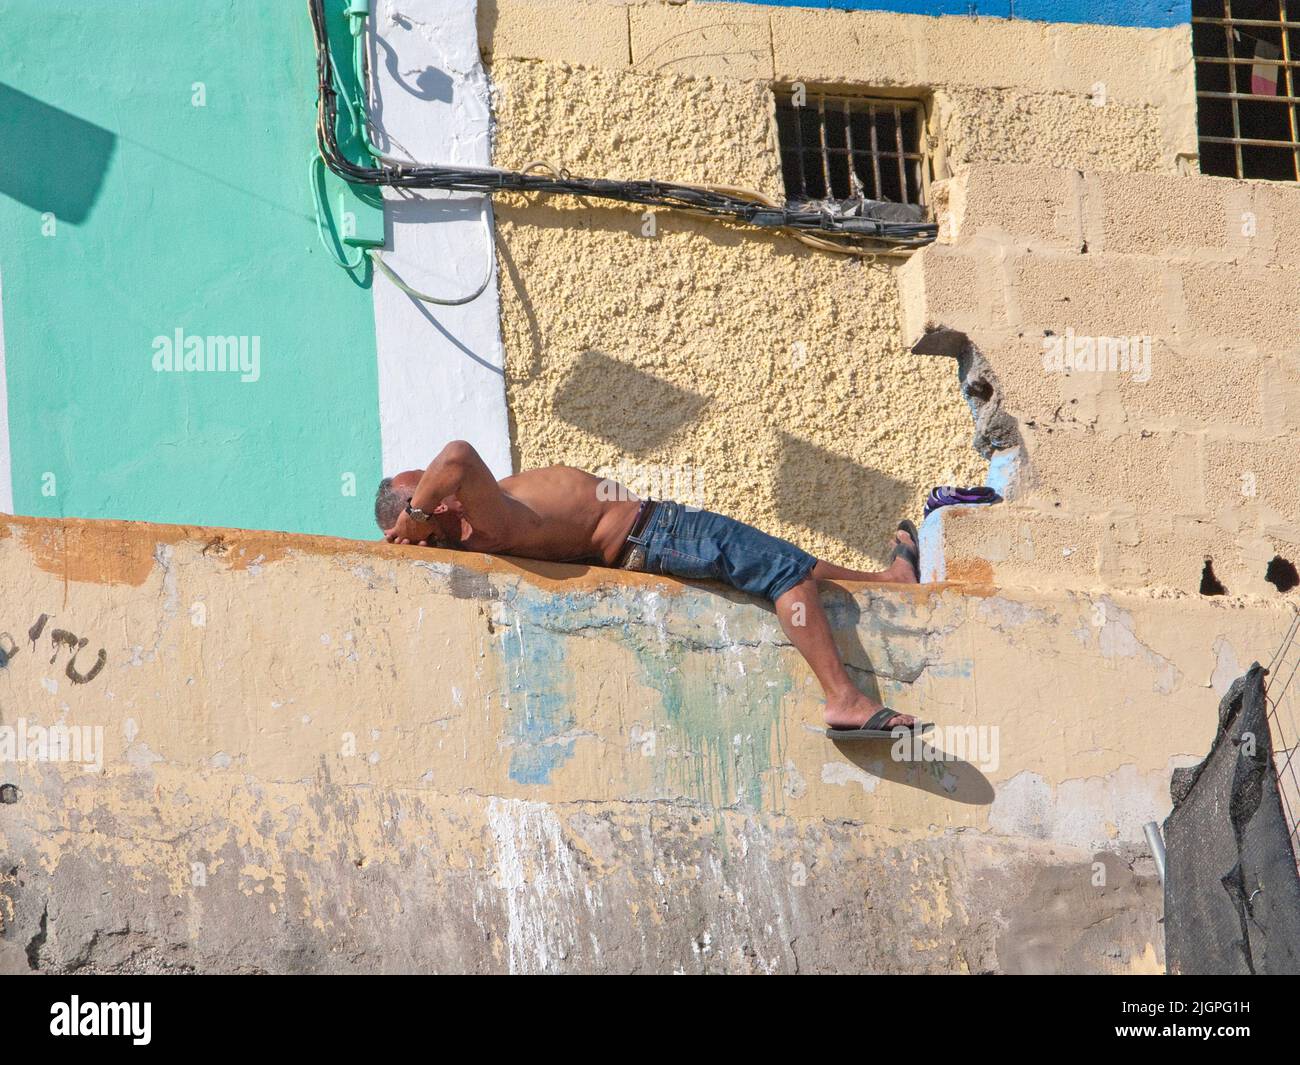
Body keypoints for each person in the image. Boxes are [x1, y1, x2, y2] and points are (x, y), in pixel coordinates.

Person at [378, 440, 929, 738]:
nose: (438, 497)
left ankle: (887, 581)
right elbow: (455, 457)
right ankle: (845, 699)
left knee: (779, 560)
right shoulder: (483, 526)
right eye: (421, 499)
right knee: (783, 577)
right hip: (657, 533)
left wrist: (420, 515)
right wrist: (416, 517)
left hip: (655, 527)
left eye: (430, 494)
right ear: (413, 529)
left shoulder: (479, 518)